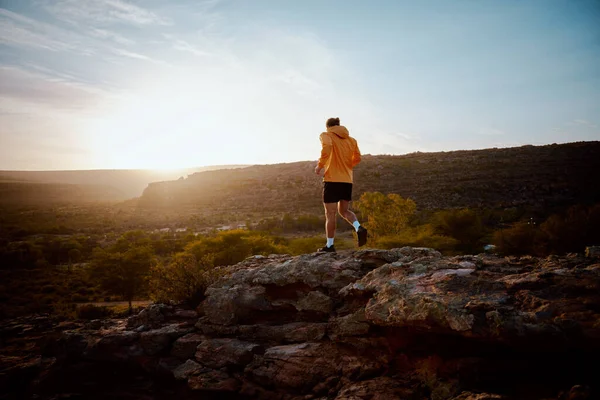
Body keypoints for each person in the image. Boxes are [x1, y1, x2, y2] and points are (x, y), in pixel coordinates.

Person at [315, 117, 368, 252]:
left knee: (330, 214)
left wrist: (320, 165)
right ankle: (358, 227)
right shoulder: (351, 140)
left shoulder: (326, 135)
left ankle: (330, 245)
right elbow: (358, 158)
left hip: (332, 180)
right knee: (344, 211)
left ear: (328, 127)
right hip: (347, 180)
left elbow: (327, 147)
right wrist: (347, 166)